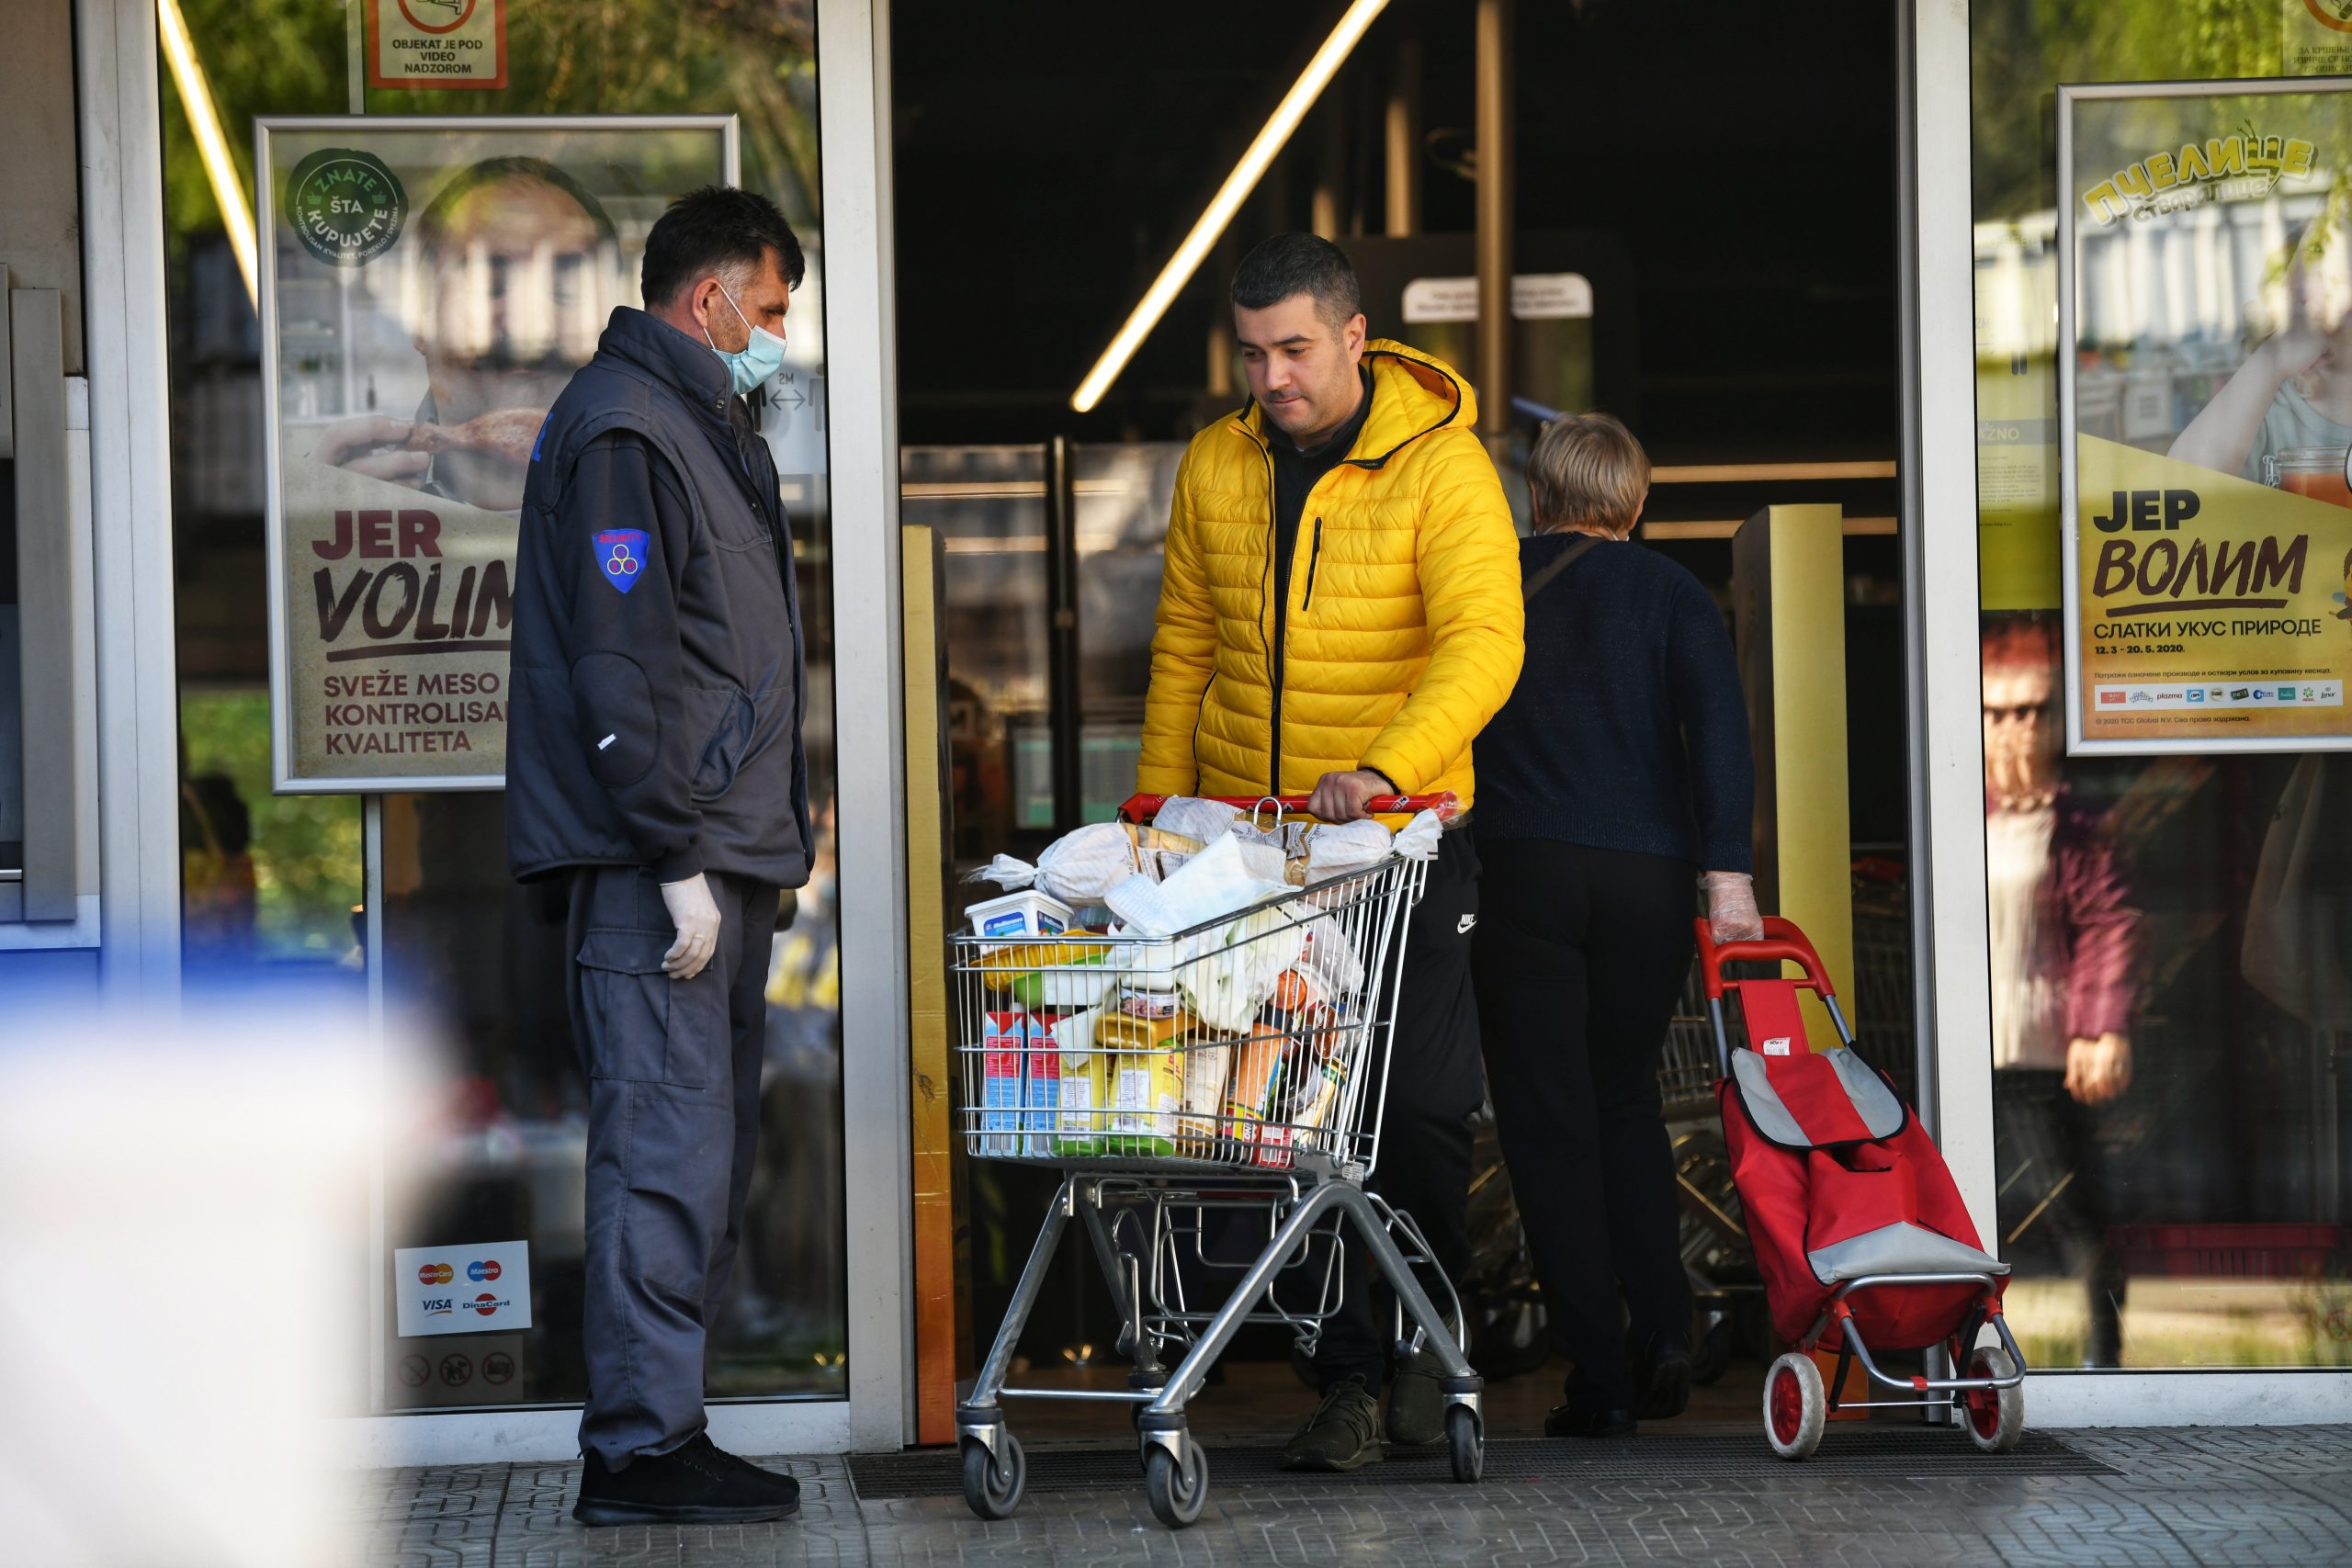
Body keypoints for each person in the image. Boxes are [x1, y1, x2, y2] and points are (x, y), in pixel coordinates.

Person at [1136, 232, 1525, 1472]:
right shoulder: (1218, 461)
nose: (1274, 378)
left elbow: (1485, 637)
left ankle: (1427, 1332)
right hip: (1259, 858)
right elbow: (1186, 635)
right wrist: (1153, 809)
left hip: (1399, 846)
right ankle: (1348, 1376)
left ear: (1357, 337)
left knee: (1411, 1107)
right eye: (1253, 354)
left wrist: (1392, 763)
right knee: (1298, 1121)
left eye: (1296, 349)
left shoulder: (1440, 464)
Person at [505, 185, 812, 1526]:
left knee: (704, 1144)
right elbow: (618, 666)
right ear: (713, 300)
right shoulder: (629, 428)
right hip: (657, 870)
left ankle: (667, 1426)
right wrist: (676, 852)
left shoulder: (693, 422)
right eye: (776, 310)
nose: (780, 339)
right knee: (663, 1146)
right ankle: (637, 1450)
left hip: (702, 856)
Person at [1467, 412, 1758, 1439]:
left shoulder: (1492, 580)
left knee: (1546, 1123)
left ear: (1538, 496)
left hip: (1522, 870)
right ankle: (1666, 1329)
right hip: (1647, 877)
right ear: (1635, 503)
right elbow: (1719, 732)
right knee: (1623, 1101)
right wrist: (1728, 873)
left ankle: (1598, 1373)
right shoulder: (1673, 594)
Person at [1981, 615, 2137, 1367]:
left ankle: (2103, 1360)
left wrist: (2099, 1026)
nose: (2018, 728)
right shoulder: (1960, 813)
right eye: (2001, 711)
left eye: (2035, 710)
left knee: (2076, 1216)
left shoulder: (2075, 821)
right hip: (1970, 1049)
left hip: (2043, 1055)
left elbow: (2108, 921)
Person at [312, 156, 620, 512]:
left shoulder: (665, 490)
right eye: (488, 284)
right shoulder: (353, 488)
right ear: (422, 314)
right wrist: (322, 509)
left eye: (566, 289)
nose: (532, 326)